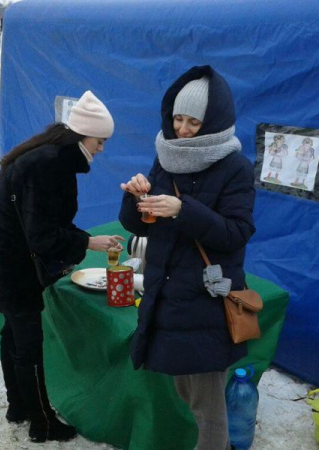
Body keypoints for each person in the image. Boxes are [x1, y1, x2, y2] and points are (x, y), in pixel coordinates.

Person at [0, 91, 123, 443]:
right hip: (11, 266)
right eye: (100, 142)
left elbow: (42, 222)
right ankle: (42, 421)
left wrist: (81, 240)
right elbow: (42, 235)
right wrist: (88, 242)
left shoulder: (49, 156)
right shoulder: (50, 165)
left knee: (11, 335)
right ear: (83, 136)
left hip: (1, 258)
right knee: (29, 345)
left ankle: (18, 405)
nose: (101, 149)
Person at [119, 66, 256, 450]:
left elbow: (236, 233)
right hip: (167, 297)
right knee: (186, 391)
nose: (182, 129)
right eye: (178, 118)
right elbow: (141, 226)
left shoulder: (235, 168)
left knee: (209, 410)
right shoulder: (166, 158)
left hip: (205, 304)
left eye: (193, 122)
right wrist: (135, 198)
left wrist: (182, 209)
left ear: (213, 121)